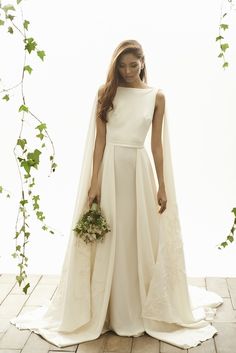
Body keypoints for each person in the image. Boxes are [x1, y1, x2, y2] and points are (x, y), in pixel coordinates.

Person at [11, 39, 223, 349]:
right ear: (115, 66)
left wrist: (162, 185)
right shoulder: (105, 93)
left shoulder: (156, 96)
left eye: (132, 65)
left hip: (138, 170)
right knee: (109, 235)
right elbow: (99, 142)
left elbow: (157, 145)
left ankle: (136, 306)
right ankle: (107, 307)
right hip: (110, 169)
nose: (127, 71)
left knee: (134, 235)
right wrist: (94, 181)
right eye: (121, 66)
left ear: (142, 63)